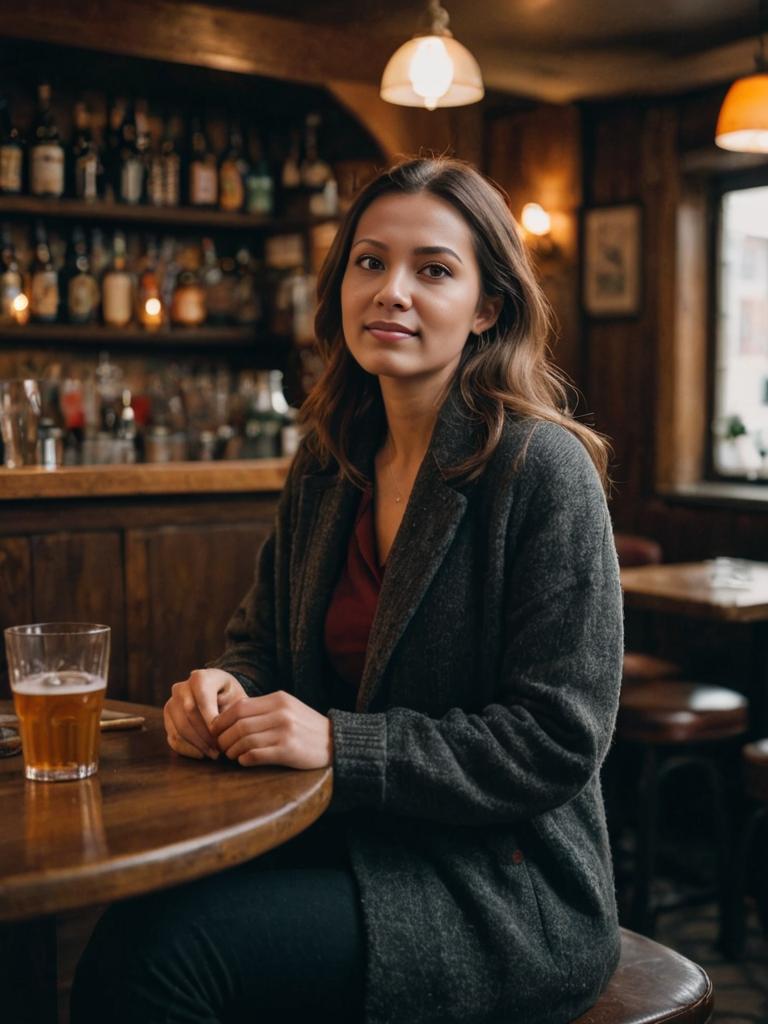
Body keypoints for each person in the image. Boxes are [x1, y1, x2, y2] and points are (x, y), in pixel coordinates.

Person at [72, 157, 623, 1024]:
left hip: (497, 888)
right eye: (370, 262)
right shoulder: (331, 458)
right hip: (336, 840)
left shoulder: (541, 468)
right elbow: (259, 643)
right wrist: (226, 688)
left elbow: (558, 738)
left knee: (162, 961)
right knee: (129, 925)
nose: (390, 291)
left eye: (432, 269)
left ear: (487, 308)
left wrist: (342, 743)